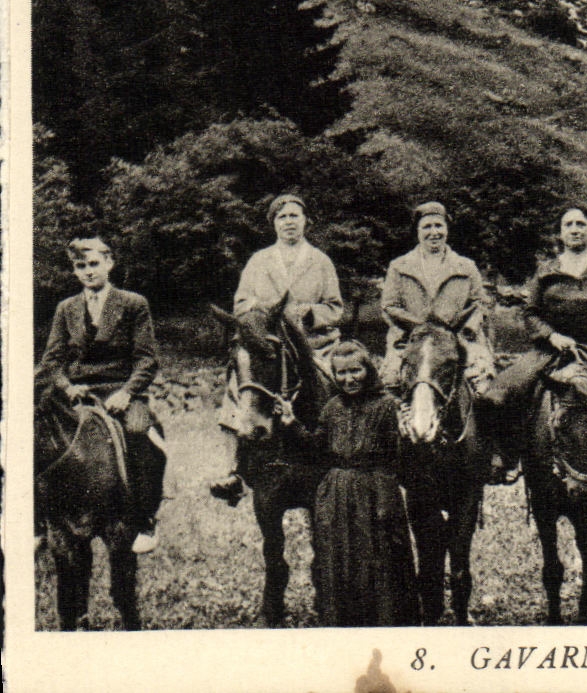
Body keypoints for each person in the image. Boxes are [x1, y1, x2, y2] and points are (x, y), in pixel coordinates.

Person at [209, 193, 345, 505]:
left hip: (313, 344)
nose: (289, 223)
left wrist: (309, 314)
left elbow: (335, 307)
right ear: (273, 224)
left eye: (295, 216)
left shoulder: (320, 261)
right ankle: (234, 470)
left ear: (305, 221)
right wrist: (265, 311)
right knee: (238, 387)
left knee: (342, 385)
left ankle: (342, 459)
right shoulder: (260, 261)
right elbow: (241, 303)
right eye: (282, 217)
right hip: (268, 344)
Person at [36, 236, 167, 554]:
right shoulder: (66, 308)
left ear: (109, 263)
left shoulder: (134, 304)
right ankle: (38, 521)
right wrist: (67, 387)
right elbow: (51, 362)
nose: (88, 272)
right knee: (35, 433)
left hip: (119, 390)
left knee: (143, 435)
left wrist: (127, 392)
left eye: (94, 264)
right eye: (81, 266)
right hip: (76, 392)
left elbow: (147, 360)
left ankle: (144, 518)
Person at [485, 204, 587, 463]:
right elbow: (531, 312)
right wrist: (551, 336)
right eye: (568, 225)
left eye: (580, 224)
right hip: (555, 348)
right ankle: (506, 457)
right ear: (560, 233)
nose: (574, 229)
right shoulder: (547, 270)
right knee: (503, 389)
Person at [278, 342, 417, 627]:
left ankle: (386, 620)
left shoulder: (387, 406)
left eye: (355, 370)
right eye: (341, 373)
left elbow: (401, 460)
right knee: (339, 558)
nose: (348, 379)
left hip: (375, 491)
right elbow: (318, 448)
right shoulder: (333, 408)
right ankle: (344, 621)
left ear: (369, 370)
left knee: (379, 559)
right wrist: (292, 424)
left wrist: (406, 436)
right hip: (336, 495)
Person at [377, 201, 506, 479]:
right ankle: (385, 455)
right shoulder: (400, 267)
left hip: (459, 338)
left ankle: (492, 452)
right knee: (387, 384)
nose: (433, 232)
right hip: (411, 340)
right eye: (427, 227)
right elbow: (389, 306)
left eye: (439, 226)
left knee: (486, 386)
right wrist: (418, 327)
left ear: (447, 229)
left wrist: (466, 328)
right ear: (417, 232)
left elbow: (480, 303)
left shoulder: (465, 266)